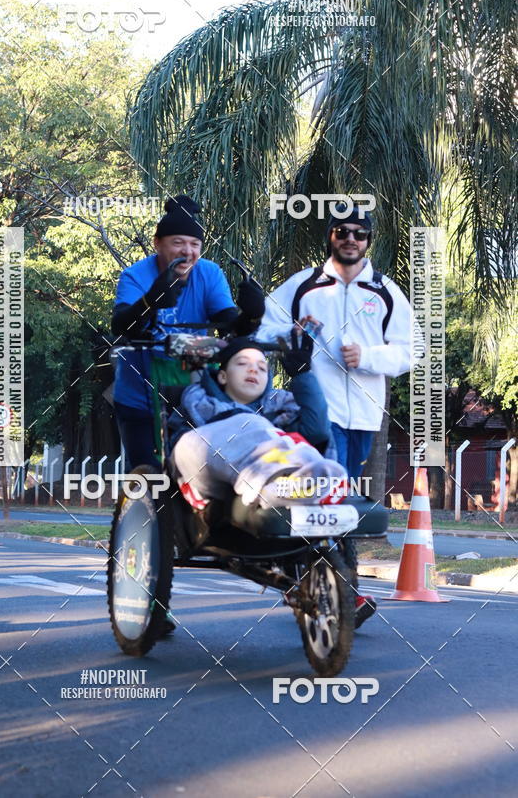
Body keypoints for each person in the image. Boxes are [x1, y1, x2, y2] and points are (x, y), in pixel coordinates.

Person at [256, 202, 413, 627]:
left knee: (334, 500)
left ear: (368, 241)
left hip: (364, 413)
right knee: (332, 497)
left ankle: (308, 582)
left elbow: (408, 351)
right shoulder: (301, 286)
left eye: (359, 234)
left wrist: (368, 355)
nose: (350, 239)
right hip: (317, 412)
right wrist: (292, 332)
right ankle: (344, 594)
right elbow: (263, 328)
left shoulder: (384, 291)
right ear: (330, 236)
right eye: (342, 231)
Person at [111, 195, 264, 471]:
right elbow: (121, 327)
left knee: (196, 470)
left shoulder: (209, 273)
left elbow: (230, 327)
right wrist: (149, 302)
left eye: (195, 244)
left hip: (189, 389)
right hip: (139, 391)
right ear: (158, 244)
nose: (188, 251)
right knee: (147, 474)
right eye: (178, 242)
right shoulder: (134, 275)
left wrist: (252, 316)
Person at [169, 336, 347, 508]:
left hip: (279, 470)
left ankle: (312, 477)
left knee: (288, 441)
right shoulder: (196, 404)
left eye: (262, 368)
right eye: (242, 363)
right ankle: (279, 484)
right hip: (207, 479)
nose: (253, 370)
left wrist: (302, 375)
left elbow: (317, 431)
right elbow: (181, 455)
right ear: (223, 376)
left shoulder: (280, 410)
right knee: (246, 423)